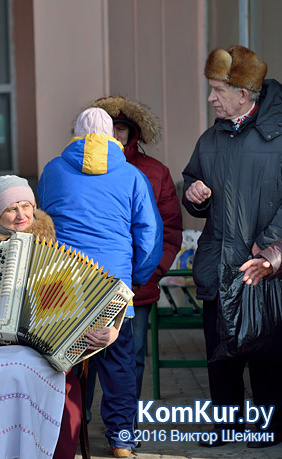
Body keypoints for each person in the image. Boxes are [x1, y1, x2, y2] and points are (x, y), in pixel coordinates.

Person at [0, 174, 119, 459]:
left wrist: (109, 331)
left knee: (60, 377)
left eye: (26, 205)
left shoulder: (58, 250)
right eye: (11, 208)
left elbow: (87, 308)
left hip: (40, 348)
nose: (21, 215)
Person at [182, 45, 282, 448]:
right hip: (218, 262)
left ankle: (270, 428)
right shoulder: (210, 137)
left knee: (266, 354)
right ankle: (226, 427)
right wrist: (196, 195)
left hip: (264, 264)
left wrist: (266, 247)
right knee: (221, 355)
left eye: (216, 90)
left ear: (243, 94)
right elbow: (194, 184)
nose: (211, 97)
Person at [38, 108, 162, 458]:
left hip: (63, 282)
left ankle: (67, 432)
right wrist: (136, 277)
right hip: (111, 282)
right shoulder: (133, 175)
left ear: (76, 135)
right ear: (112, 137)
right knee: (118, 362)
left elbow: (42, 222)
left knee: (62, 361)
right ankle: (121, 439)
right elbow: (149, 233)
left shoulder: (52, 171)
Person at [90, 96, 183, 399]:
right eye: (108, 127)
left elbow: (168, 230)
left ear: (134, 132)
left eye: (121, 128)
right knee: (83, 354)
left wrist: (151, 271)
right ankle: (80, 424)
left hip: (136, 282)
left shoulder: (155, 172)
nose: (115, 135)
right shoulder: (78, 169)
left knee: (132, 354)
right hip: (86, 279)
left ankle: (125, 426)